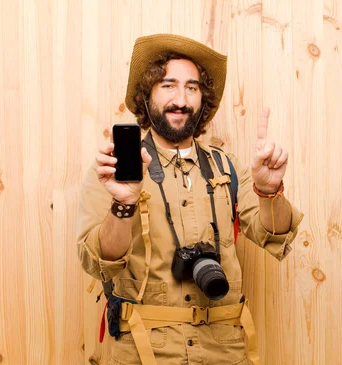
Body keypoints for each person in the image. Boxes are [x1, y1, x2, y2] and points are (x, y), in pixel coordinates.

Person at [76, 33, 304, 365]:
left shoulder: (229, 167)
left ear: (203, 99)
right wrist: (124, 203)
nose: (181, 99)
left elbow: (276, 236)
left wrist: (270, 191)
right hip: (145, 353)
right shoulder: (116, 172)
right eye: (168, 85)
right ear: (147, 95)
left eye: (192, 88)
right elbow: (98, 262)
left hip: (226, 351)